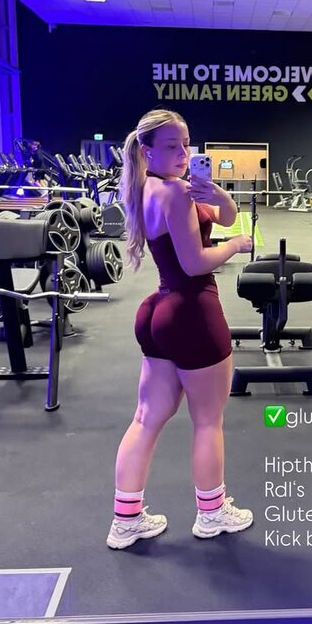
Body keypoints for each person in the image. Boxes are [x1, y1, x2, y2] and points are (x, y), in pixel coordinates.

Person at [106, 108, 254, 550]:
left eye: (186, 144)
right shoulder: (173, 194)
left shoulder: (151, 187)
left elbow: (224, 215)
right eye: (172, 146)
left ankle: (125, 521)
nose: (184, 154)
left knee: (146, 418)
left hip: (158, 312)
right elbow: (195, 262)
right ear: (147, 150)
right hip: (191, 311)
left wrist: (216, 192)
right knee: (208, 421)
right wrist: (236, 246)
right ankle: (212, 513)